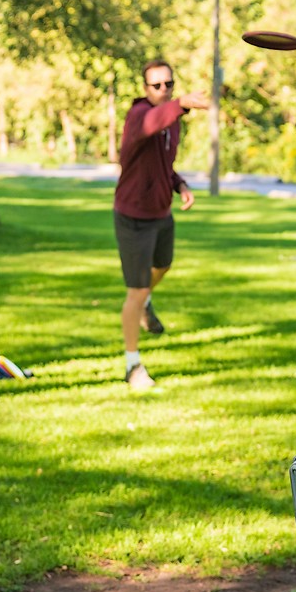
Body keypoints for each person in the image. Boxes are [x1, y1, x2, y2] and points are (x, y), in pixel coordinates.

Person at [113, 60, 209, 389]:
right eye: (156, 86)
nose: (164, 90)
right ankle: (132, 365)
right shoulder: (139, 116)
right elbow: (152, 122)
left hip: (160, 213)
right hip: (133, 217)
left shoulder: (172, 124)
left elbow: (163, 164)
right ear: (145, 89)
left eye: (169, 84)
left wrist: (179, 184)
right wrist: (181, 104)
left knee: (163, 266)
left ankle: (144, 302)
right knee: (136, 291)